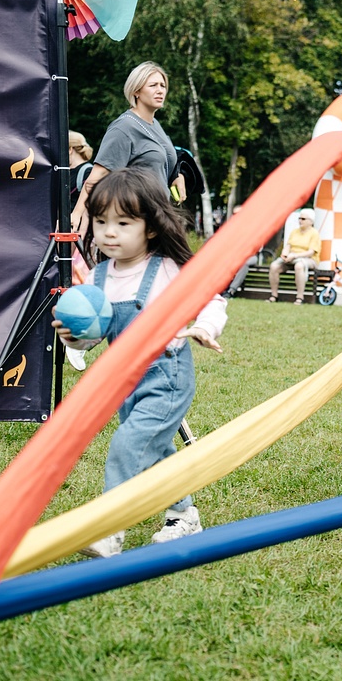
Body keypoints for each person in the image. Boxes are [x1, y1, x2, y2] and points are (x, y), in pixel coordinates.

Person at [54, 167, 226, 557]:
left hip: (167, 377)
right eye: (101, 222)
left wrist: (206, 327)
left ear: (150, 227)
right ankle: (184, 515)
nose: (109, 232)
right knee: (155, 450)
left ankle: (108, 528)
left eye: (123, 223)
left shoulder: (166, 268)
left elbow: (212, 299)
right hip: (125, 382)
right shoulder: (98, 277)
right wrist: (76, 337)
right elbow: (98, 332)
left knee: (128, 445)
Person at [70, 62, 186, 235]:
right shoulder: (124, 127)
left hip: (160, 216)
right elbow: (98, 174)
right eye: (153, 85)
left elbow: (157, 159)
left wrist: (177, 175)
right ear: (136, 91)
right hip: (135, 219)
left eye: (163, 85)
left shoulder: (155, 125)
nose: (160, 90)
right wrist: (77, 213)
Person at [65, 131, 97, 372]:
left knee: (85, 285)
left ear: (70, 149)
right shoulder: (64, 173)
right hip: (65, 238)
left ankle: (78, 339)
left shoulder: (87, 172)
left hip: (82, 241)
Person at [266, 209, 320, 304]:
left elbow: (311, 252)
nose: (300, 221)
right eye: (299, 218)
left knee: (299, 266)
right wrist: (284, 254)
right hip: (291, 258)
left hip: (308, 260)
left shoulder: (314, 233)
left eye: (303, 219)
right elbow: (288, 246)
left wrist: (295, 256)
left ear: (311, 221)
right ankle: (274, 295)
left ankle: (300, 297)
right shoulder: (294, 232)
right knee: (274, 266)